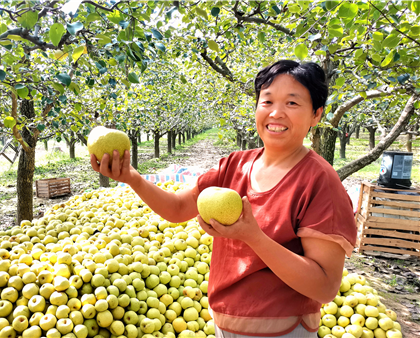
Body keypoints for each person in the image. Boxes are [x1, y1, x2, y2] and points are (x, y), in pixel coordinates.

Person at [90, 60, 357, 337]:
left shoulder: (319, 181)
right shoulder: (234, 165)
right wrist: (132, 177)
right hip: (224, 323)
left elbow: (324, 286)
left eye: (292, 103)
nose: (276, 113)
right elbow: (178, 208)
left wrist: (253, 237)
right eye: (267, 101)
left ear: (316, 115)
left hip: (283, 330)